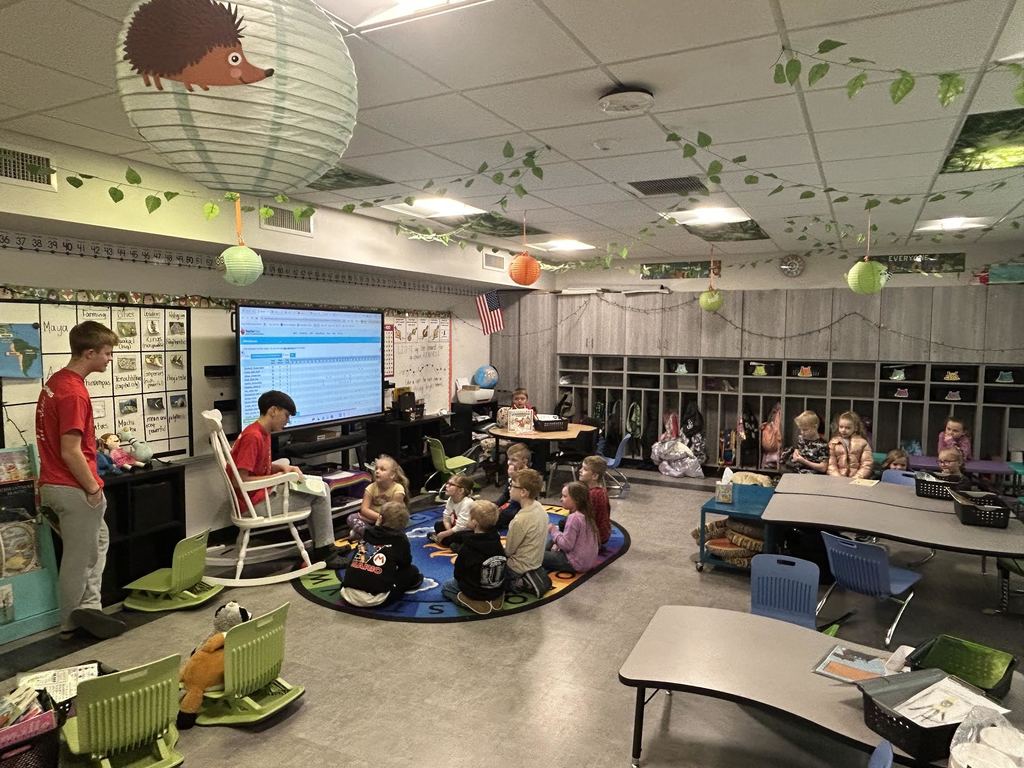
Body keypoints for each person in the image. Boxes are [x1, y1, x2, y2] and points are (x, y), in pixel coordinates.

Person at [36, 320, 126, 640]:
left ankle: (90, 608)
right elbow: (71, 450)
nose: (109, 359)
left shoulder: (56, 381)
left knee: (97, 544)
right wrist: (91, 488)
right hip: (72, 487)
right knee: (78, 559)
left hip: (53, 483)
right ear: (89, 353)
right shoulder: (74, 392)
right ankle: (69, 626)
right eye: (106, 353)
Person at [231, 390, 349, 570]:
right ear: (273, 411)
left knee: (320, 486)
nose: (287, 421)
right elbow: (239, 479)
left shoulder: (261, 432)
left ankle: (324, 546)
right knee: (321, 492)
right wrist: (278, 478)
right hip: (253, 504)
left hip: (259, 495)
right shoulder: (253, 436)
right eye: (286, 415)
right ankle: (324, 550)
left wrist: (282, 468)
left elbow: (259, 467)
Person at [339, 501, 422, 608]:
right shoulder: (400, 540)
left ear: (380, 518)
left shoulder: (367, 532)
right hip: (375, 599)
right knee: (412, 572)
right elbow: (405, 564)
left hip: (347, 591)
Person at [440, 500, 507, 614]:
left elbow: (458, 573)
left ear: (475, 523)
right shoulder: (497, 540)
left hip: (475, 591)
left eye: (468, 517)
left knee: (446, 587)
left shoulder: (468, 547)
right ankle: (495, 599)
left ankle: (470, 602)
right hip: (496, 588)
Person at [504, 468, 550, 595]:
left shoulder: (519, 520)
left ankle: (518, 583)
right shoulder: (540, 507)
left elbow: (509, 551)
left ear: (523, 492)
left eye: (512, 486)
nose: (509, 488)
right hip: (536, 562)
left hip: (517, 568)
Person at [347, 454, 408, 541]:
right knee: (351, 518)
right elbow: (364, 509)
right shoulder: (370, 488)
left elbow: (395, 512)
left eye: (382, 469)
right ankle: (369, 532)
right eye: (376, 469)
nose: (377, 471)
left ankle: (368, 533)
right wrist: (378, 518)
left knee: (395, 523)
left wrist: (382, 520)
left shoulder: (398, 489)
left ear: (392, 475)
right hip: (373, 518)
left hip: (389, 519)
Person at [544, 482, 599, 574]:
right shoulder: (587, 513)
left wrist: (552, 530)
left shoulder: (574, 517)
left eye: (565, 496)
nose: (561, 499)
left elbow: (566, 545)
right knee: (556, 536)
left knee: (536, 556)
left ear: (576, 500)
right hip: (588, 561)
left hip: (575, 563)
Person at [559, 455, 611, 547]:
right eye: (582, 467)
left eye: (585, 469)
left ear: (594, 476)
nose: (580, 470)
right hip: (603, 533)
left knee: (564, 523)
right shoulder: (601, 490)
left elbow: (581, 519)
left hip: (596, 538)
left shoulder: (592, 495)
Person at [430, 474, 474, 549]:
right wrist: (448, 532)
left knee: (461, 536)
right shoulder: (451, 499)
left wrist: (445, 534)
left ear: (461, 490)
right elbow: (446, 517)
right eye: (447, 483)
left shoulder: (467, 503)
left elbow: (461, 526)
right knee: (438, 525)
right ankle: (450, 542)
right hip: (455, 528)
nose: (446, 486)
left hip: (467, 530)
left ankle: (455, 545)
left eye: (451, 484)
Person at [827, 411, 874, 479]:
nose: (843, 430)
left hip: (856, 480)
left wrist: (856, 478)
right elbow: (831, 464)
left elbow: (867, 464)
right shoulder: (833, 443)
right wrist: (837, 477)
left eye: (847, 428)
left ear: (855, 428)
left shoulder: (863, 443)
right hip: (837, 480)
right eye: (841, 427)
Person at [782, 410, 828, 474]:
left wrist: (803, 461)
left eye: (805, 430)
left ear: (815, 427)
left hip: (811, 475)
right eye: (800, 429)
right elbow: (797, 449)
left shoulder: (823, 445)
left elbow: (823, 468)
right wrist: (796, 453)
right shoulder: (802, 439)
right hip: (796, 471)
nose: (802, 432)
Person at [495, 443, 530, 529]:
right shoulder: (513, 471)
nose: (509, 462)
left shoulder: (528, 475)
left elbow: (525, 498)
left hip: (523, 507)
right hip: (513, 504)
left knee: (494, 520)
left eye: (514, 460)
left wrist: (514, 477)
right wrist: (495, 505)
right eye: (509, 459)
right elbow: (506, 494)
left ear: (524, 461)